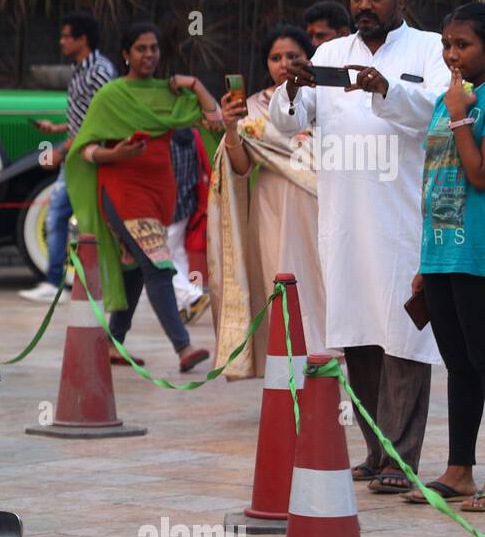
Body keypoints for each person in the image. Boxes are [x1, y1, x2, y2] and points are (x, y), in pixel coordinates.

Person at [273, 0, 448, 494]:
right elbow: (288, 123)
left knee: (404, 336)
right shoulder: (329, 51)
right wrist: (295, 86)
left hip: (403, 219)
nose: (364, 5)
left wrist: (384, 89)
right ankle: (375, 453)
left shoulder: (429, 50)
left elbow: (439, 112)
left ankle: (401, 458)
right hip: (346, 221)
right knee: (359, 338)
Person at [402, 2, 485, 511]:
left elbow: (480, 174)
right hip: (441, 253)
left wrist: (459, 115)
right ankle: (459, 471)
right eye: (446, 45)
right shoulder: (447, 99)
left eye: (464, 45)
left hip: (483, 253)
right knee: (458, 364)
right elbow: (437, 182)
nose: (452, 55)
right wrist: (424, 259)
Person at [66, 22, 219, 372]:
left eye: (153, 48)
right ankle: (183, 347)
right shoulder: (111, 96)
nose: (148, 54)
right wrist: (116, 154)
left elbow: (213, 121)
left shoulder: (168, 93)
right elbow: (84, 149)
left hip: (159, 196)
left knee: (135, 270)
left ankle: (111, 342)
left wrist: (195, 84)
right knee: (159, 265)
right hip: (121, 193)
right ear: (126, 54)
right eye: (140, 48)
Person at [209, 24, 327, 377]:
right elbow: (240, 169)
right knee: (282, 283)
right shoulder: (253, 108)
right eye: (276, 58)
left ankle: (325, 367)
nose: (284, 64)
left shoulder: (327, 100)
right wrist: (231, 129)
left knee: (321, 284)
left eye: (293, 56)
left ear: (309, 59)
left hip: (321, 206)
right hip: (273, 208)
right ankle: (287, 372)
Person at [21, 12, 118, 302]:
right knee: (62, 217)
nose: (61, 41)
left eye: (66, 36)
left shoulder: (99, 71)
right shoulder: (81, 69)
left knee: (71, 217)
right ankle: (62, 281)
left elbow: (98, 122)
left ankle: (66, 283)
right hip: (76, 156)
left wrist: (62, 150)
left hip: (89, 157)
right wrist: (59, 128)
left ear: (82, 39)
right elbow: (84, 116)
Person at [167, 126, 211, 323]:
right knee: (176, 253)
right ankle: (181, 307)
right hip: (187, 202)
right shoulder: (192, 134)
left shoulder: (165, 138)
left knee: (160, 258)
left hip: (168, 206)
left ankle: (192, 296)